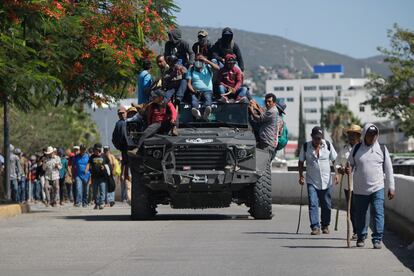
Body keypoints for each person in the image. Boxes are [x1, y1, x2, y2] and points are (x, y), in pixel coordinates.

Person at [346, 124, 395, 249]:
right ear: (364, 135)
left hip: (377, 187)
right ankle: (361, 236)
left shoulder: (382, 149)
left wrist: (391, 187)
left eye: (374, 135)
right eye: (369, 135)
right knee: (360, 214)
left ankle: (377, 238)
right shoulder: (357, 148)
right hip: (360, 188)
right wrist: (347, 169)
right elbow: (350, 163)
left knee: (379, 212)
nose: (372, 137)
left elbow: (388, 169)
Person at [298, 126, 338, 235]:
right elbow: (301, 162)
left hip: (326, 181)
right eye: (315, 138)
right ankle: (315, 227)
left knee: (326, 205)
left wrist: (337, 174)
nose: (317, 140)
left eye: (319, 138)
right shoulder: (306, 146)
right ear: (312, 137)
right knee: (313, 203)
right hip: (312, 181)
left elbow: (334, 160)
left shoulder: (328, 145)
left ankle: (325, 225)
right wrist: (301, 175)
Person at [336, 124, 364, 240]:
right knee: (351, 209)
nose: (351, 137)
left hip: (361, 185)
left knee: (360, 209)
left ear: (358, 136)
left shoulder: (363, 148)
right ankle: (356, 231)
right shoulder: (343, 149)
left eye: (353, 135)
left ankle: (362, 230)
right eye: (349, 134)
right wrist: (341, 169)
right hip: (348, 185)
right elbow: (337, 163)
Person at [131, 89, 177, 155]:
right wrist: (139, 107)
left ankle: (174, 128)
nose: (153, 98)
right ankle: (137, 149)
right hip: (156, 124)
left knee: (175, 118)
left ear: (160, 97)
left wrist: (173, 119)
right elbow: (143, 107)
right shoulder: (152, 104)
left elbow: (174, 111)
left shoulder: (167, 103)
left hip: (166, 123)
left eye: (155, 97)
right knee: (146, 133)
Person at [187, 54, 220, 120]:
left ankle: (206, 113)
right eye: (196, 60)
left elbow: (217, 68)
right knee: (194, 100)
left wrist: (206, 60)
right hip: (196, 90)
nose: (198, 61)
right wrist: (193, 91)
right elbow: (189, 84)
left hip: (207, 90)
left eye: (200, 60)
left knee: (208, 99)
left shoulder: (208, 67)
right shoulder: (191, 69)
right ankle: (196, 113)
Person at [248, 93, 279, 160]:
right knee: (264, 165)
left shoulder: (272, 111)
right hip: (267, 142)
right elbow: (263, 113)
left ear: (274, 102)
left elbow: (260, 118)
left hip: (267, 143)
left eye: (269, 101)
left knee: (265, 165)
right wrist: (256, 106)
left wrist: (251, 110)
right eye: (266, 101)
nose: (267, 103)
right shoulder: (272, 110)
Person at [86, 143, 112, 210]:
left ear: (100, 150)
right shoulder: (92, 156)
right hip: (94, 177)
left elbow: (109, 164)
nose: (96, 151)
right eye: (95, 150)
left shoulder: (104, 156)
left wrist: (105, 167)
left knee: (102, 191)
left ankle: (101, 203)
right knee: (95, 192)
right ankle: (96, 203)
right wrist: (86, 170)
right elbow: (89, 163)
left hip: (103, 177)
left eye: (97, 150)